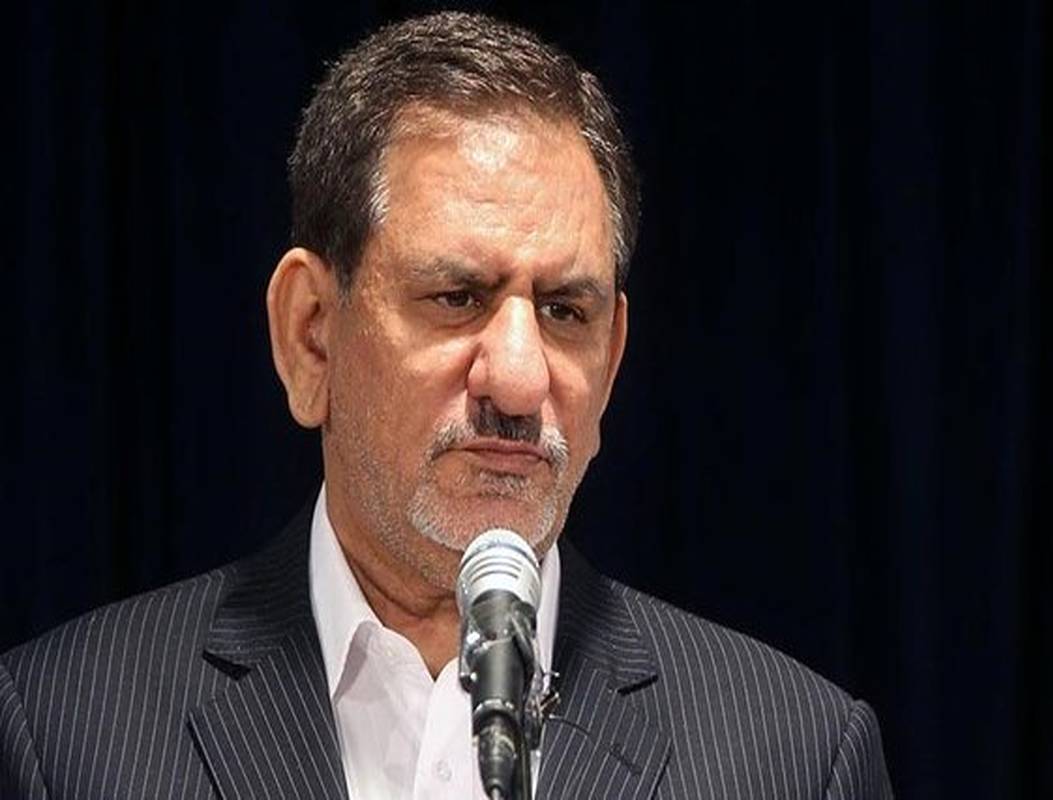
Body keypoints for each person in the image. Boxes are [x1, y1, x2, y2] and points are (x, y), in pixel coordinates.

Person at [0, 11, 892, 799]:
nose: (520, 380)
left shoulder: (794, 759)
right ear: (311, 336)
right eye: (457, 298)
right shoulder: (64, 734)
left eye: (564, 312)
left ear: (613, 362)